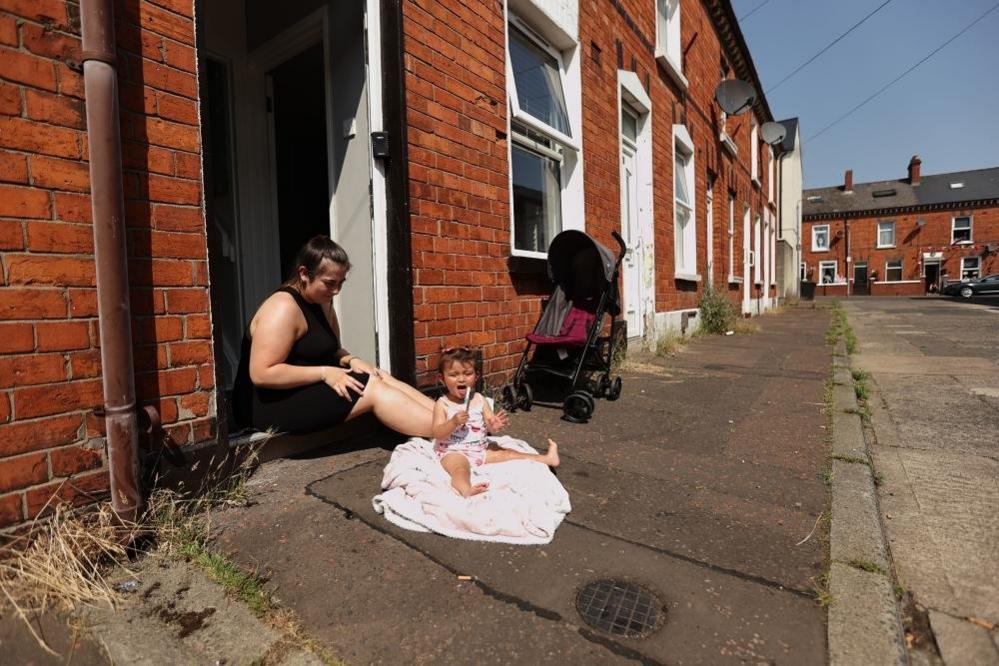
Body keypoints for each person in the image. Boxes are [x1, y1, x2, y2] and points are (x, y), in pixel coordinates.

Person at [233, 235, 435, 436]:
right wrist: (325, 373)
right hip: (267, 405)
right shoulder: (282, 308)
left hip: (303, 388)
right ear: (304, 273)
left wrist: (350, 359)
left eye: (341, 282)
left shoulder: (323, 301)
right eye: (330, 283)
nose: (336, 290)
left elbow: (332, 349)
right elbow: (262, 373)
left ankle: (447, 418)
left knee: (377, 375)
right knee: (370, 388)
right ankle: (443, 434)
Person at [432, 347, 559, 497]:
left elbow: (490, 423)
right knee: (460, 469)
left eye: (468, 374)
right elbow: (437, 432)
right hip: (453, 451)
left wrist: (495, 424)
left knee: (510, 454)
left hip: (480, 450)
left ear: (476, 377)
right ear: (442, 378)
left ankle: (546, 458)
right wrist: (453, 422)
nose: (461, 379)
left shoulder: (479, 399)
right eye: (453, 375)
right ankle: (466, 489)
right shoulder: (443, 403)